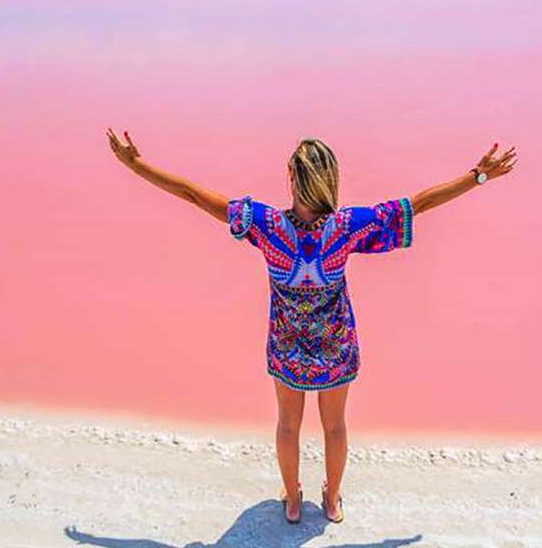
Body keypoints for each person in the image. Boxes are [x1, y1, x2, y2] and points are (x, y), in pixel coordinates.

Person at [105, 129, 517, 524]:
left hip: (286, 346)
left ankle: (292, 504)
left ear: (292, 178)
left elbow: (193, 194)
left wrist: (136, 165)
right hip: (336, 345)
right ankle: (333, 500)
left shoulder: (263, 223)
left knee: (288, 424)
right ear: (331, 178)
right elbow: (418, 204)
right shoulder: (347, 226)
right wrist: (477, 176)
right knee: (335, 425)